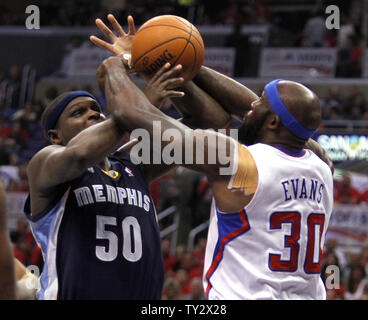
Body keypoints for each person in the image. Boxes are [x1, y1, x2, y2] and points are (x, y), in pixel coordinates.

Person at [96, 49, 334, 300]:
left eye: (260, 99)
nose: (251, 103)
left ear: (273, 123)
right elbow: (261, 114)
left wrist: (120, 61)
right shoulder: (322, 166)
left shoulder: (239, 162)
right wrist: (180, 62)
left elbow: (130, 114)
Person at [23, 16, 229, 300]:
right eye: (78, 112)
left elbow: (212, 123)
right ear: (55, 136)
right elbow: (81, 153)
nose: (93, 114)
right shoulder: (46, 163)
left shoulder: (134, 164)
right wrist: (139, 105)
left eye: (96, 108)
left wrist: (158, 64)